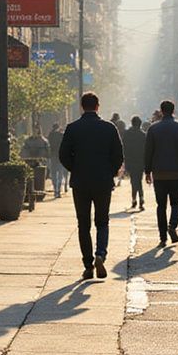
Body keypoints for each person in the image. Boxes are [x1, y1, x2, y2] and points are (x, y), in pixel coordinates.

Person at [59, 92, 124, 280]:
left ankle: (88, 265)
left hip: (80, 182)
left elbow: (63, 155)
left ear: (81, 106)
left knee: (83, 224)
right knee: (102, 221)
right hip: (103, 182)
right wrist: (110, 172)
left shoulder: (72, 128)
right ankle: (100, 254)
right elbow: (118, 155)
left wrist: (75, 168)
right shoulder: (109, 128)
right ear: (98, 106)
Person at [144, 99, 178, 248]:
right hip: (177, 172)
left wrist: (147, 171)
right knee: (176, 203)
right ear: (173, 111)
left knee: (161, 206)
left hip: (159, 173)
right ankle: (173, 226)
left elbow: (148, 152)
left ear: (161, 111)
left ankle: (163, 237)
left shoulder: (153, 129)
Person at [122, 116, 148, 210]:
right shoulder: (143, 135)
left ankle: (135, 199)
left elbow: (124, 148)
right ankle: (140, 198)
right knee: (138, 180)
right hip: (140, 161)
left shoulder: (127, 134)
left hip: (130, 161)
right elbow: (147, 150)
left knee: (134, 181)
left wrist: (124, 161)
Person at [46, 122, 66, 198]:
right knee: (60, 174)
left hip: (52, 156)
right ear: (58, 128)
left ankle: (55, 189)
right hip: (60, 156)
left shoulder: (50, 135)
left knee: (54, 174)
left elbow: (48, 146)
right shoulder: (61, 135)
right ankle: (58, 190)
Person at [110, 113, 127, 186]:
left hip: (112, 150)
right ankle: (119, 179)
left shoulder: (111, 125)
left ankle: (115, 179)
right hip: (122, 149)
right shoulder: (124, 131)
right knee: (121, 165)